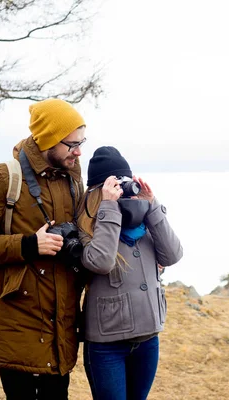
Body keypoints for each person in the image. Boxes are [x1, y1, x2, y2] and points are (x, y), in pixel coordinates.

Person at [0, 98, 88, 400]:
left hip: (61, 324)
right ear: (49, 139)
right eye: (72, 144)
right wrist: (29, 244)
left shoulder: (72, 181)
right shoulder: (4, 178)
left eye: (82, 142)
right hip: (18, 322)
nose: (79, 151)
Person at [76, 146, 183, 400]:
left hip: (147, 341)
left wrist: (152, 205)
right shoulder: (86, 226)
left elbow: (173, 255)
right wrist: (109, 207)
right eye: (115, 184)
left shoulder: (144, 222)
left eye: (125, 183)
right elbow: (101, 261)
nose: (123, 190)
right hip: (106, 345)